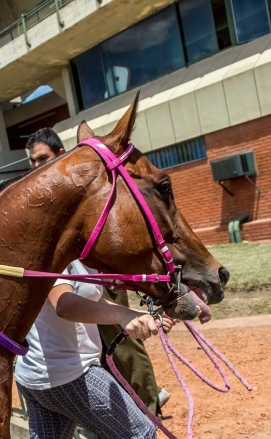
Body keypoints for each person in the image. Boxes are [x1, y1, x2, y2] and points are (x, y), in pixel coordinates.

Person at [7, 260, 174, 439]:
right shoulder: (61, 251)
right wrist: (122, 317)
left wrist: (133, 314)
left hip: (38, 376)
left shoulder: (82, 254)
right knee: (141, 437)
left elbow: (91, 298)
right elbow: (65, 304)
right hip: (69, 375)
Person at [25, 127, 170, 413]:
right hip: (75, 286)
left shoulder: (81, 184)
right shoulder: (41, 196)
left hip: (101, 275)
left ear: (60, 155)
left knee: (123, 345)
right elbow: (63, 303)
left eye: (43, 159)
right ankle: (128, 412)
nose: (37, 167)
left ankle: (147, 404)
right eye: (33, 162)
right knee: (105, 345)